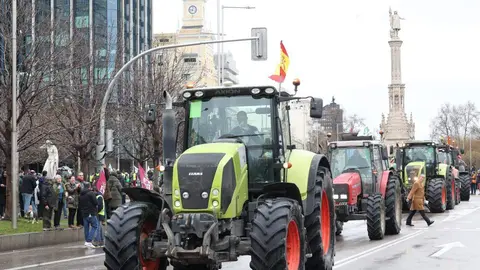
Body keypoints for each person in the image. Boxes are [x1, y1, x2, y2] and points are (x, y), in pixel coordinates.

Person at [78, 182, 98, 248]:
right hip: (91, 212)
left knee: (86, 228)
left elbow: (80, 204)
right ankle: (88, 241)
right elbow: (95, 202)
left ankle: (86, 241)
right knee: (95, 225)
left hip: (84, 213)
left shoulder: (81, 195)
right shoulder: (91, 193)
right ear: (89, 187)